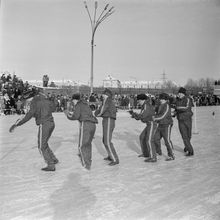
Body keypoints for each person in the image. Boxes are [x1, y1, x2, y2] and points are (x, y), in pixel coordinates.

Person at [9, 87, 58, 171]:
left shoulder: (34, 102)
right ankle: (53, 159)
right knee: (44, 143)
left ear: (30, 97)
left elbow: (28, 116)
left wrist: (16, 124)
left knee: (41, 146)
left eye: (27, 99)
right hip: (51, 123)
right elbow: (53, 108)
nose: (27, 101)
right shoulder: (44, 99)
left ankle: (51, 164)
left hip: (44, 124)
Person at [64, 93, 98, 170]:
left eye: (73, 101)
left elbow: (76, 116)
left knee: (82, 145)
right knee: (88, 144)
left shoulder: (78, 105)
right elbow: (83, 114)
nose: (73, 102)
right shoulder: (85, 104)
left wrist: (67, 114)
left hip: (85, 125)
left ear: (75, 100)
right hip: (92, 125)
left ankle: (86, 164)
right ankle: (88, 160)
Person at [129, 94, 157, 162]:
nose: (138, 102)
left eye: (138, 100)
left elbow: (142, 116)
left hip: (152, 123)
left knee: (149, 140)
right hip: (148, 124)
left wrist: (133, 114)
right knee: (142, 137)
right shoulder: (144, 105)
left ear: (142, 100)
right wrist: (134, 114)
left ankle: (153, 157)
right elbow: (141, 116)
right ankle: (146, 153)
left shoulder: (146, 105)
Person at [94, 88, 119, 166]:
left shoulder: (107, 100)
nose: (102, 95)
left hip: (109, 120)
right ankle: (110, 155)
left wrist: (97, 114)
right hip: (106, 120)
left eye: (104, 94)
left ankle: (115, 159)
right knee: (105, 140)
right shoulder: (106, 101)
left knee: (107, 141)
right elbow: (100, 109)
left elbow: (101, 110)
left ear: (107, 95)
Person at [153, 93, 175, 161]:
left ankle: (171, 155)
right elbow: (155, 111)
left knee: (167, 140)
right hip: (160, 124)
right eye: (160, 98)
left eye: (162, 99)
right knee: (156, 138)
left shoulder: (167, 106)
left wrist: (155, 118)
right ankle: (158, 151)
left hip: (167, 124)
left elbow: (163, 115)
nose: (161, 100)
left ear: (166, 99)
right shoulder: (159, 105)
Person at [175, 87, 194, 156]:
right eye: (178, 93)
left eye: (180, 93)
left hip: (187, 119)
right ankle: (190, 150)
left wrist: (177, 108)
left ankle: (187, 146)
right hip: (180, 120)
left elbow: (186, 107)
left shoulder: (187, 99)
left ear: (183, 94)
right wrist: (174, 113)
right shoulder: (177, 100)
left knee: (189, 135)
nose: (179, 94)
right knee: (184, 136)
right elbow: (176, 109)